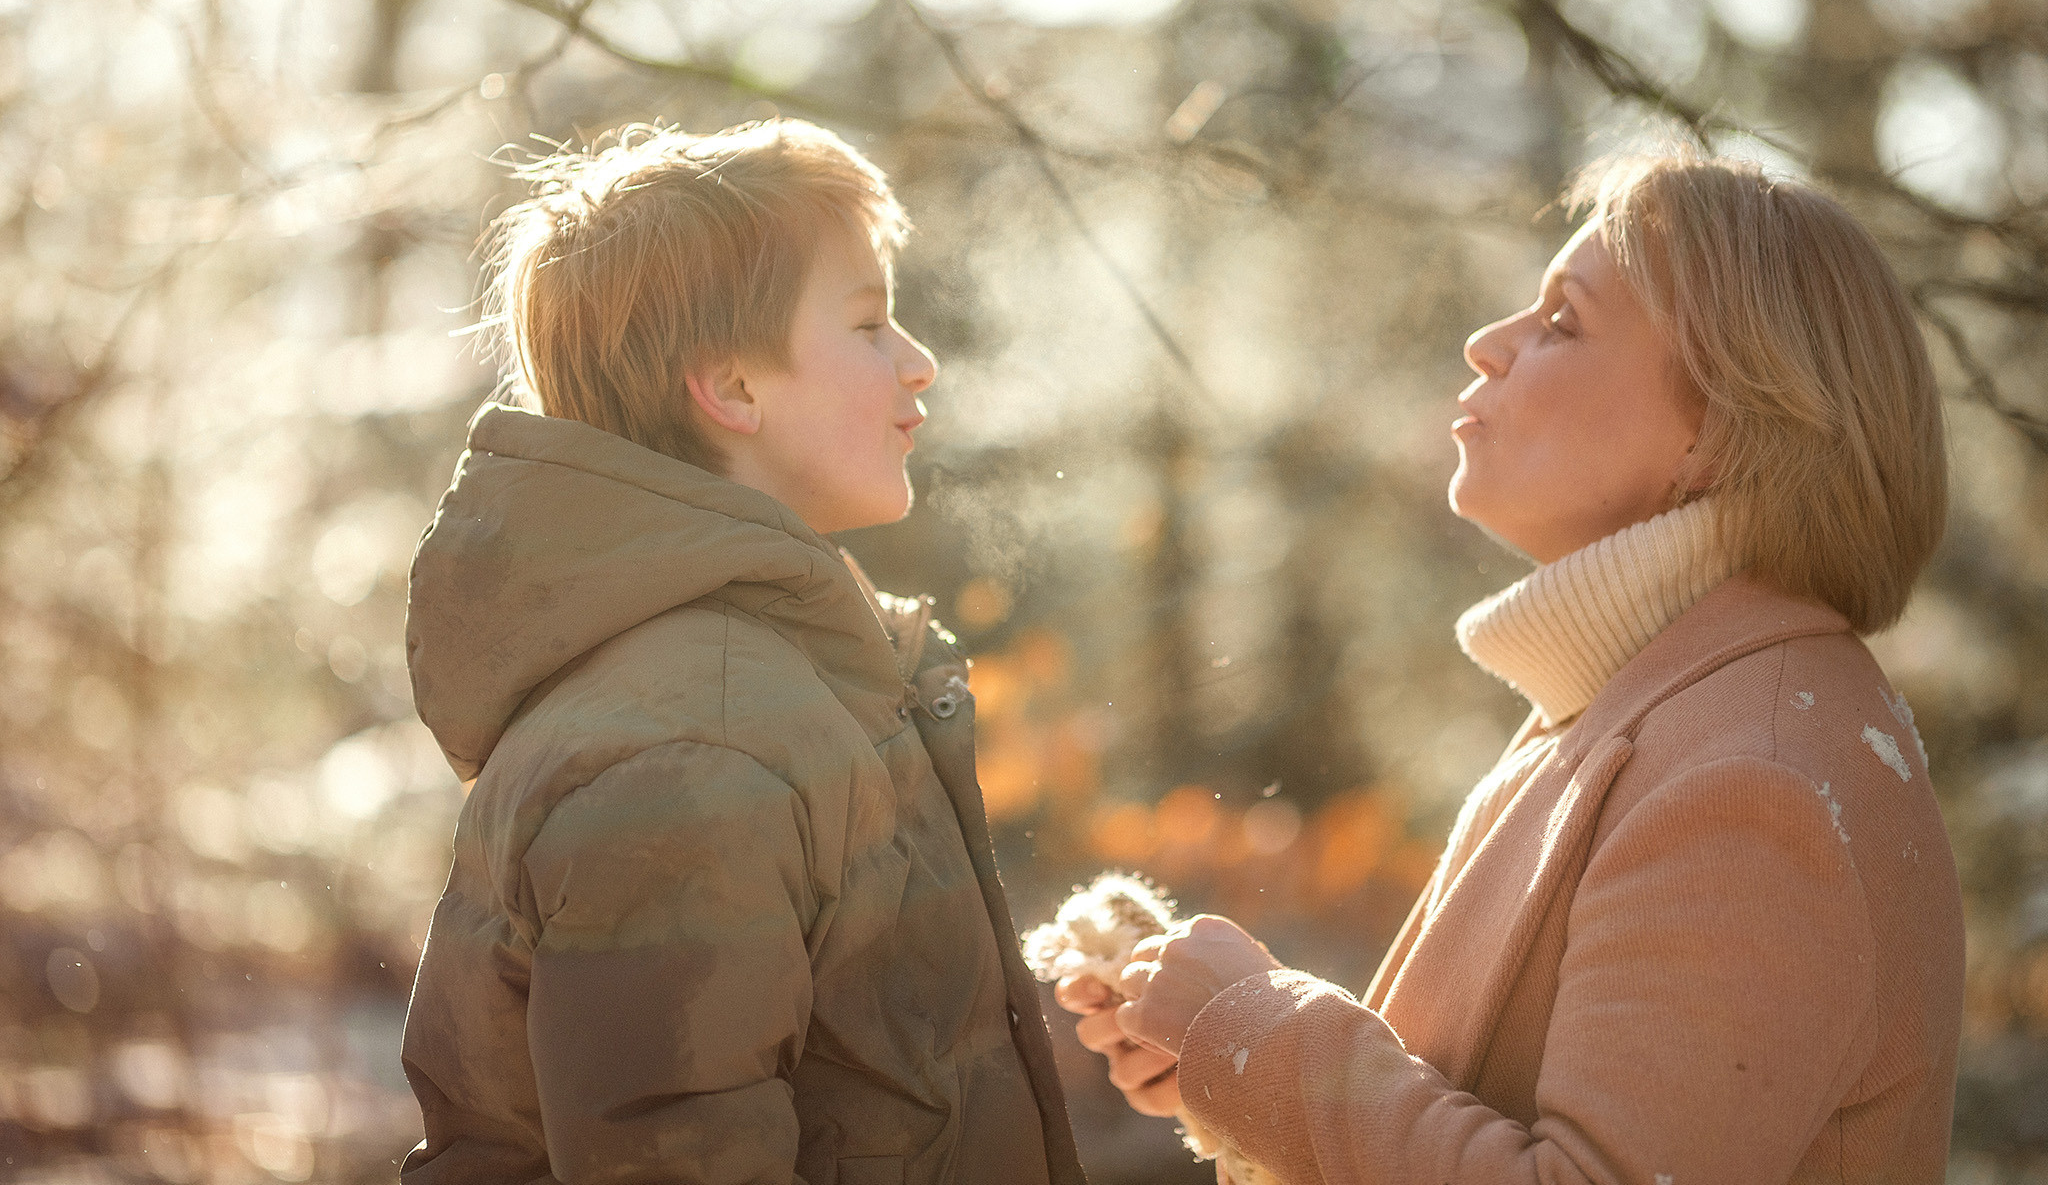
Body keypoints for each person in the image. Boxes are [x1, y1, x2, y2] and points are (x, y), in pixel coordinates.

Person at [1060, 151, 1964, 1183]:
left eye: (1561, 321)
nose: (1485, 344)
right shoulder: (1636, 710)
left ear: (1718, 426)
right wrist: (1229, 1065)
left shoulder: (1748, 780)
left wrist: (1262, 1031)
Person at [399, 119, 1086, 1185]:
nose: (918, 361)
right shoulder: (699, 740)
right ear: (732, 387)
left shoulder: (777, 686)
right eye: (868, 324)